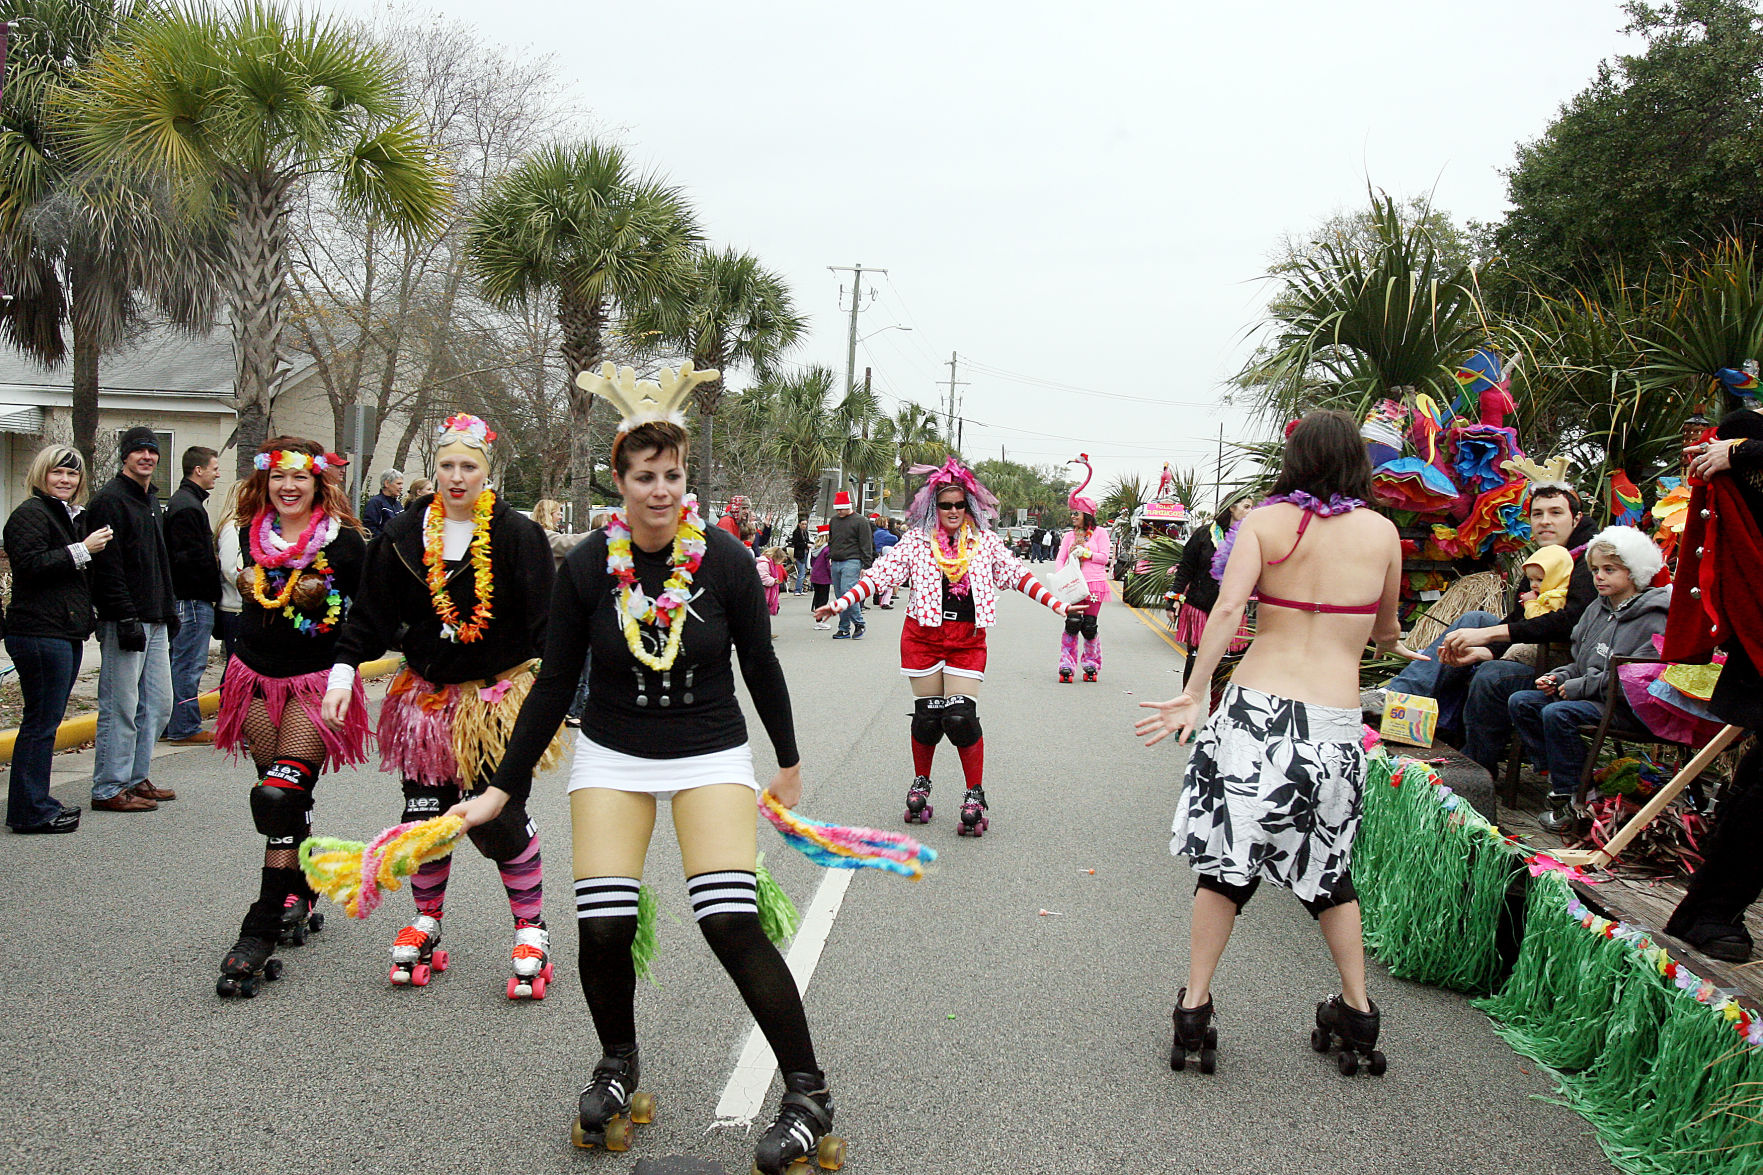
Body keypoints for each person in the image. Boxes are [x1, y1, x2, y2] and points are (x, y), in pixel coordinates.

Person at [464, 364, 838, 1173]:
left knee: (727, 919)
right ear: (621, 481)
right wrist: (506, 782)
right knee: (602, 923)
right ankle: (617, 1062)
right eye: (645, 476)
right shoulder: (589, 566)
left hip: (710, 750)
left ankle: (807, 1090)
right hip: (612, 752)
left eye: (672, 475)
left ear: (683, 480)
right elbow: (555, 680)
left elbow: (760, 665)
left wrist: (789, 760)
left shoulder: (728, 560)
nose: (661, 490)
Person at [1136, 410, 1420, 1075]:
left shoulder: (1262, 523)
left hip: (1255, 718)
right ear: (1357, 462)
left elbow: (1229, 610)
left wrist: (1194, 690)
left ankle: (1195, 1008)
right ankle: (1356, 1010)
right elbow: (1386, 635)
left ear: (1292, 460)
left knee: (1226, 866)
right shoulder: (1382, 533)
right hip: (1332, 725)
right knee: (1327, 869)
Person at [320, 412, 562, 995]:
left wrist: (563, 690)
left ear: (487, 472)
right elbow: (370, 615)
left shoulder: (516, 535)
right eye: (448, 466)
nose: (457, 477)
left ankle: (531, 927)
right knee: (426, 819)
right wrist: (342, 671)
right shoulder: (402, 536)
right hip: (425, 702)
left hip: (494, 701)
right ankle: (427, 920)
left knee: (497, 817)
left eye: (469, 467)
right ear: (436, 470)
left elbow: (546, 627)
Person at [816, 457, 1066, 835]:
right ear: (935, 507)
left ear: (970, 508)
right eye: (946, 505)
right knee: (929, 718)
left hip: (966, 638)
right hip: (923, 636)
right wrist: (840, 602)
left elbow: (1018, 575)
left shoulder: (985, 544)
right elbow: (881, 575)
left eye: (959, 505)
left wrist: (1060, 606)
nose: (953, 511)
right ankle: (921, 782)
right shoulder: (916, 543)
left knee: (960, 717)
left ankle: (975, 793)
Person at [213, 438, 371, 996]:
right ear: (266, 481)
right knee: (280, 798)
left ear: (319, 484)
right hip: (253, 677)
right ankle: (299, 890)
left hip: (313, 684)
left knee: (280, 796)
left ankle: (257, 927)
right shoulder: (249, 532)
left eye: (300, 479)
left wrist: (352, 668)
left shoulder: (344, 543)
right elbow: (239, 594)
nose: (289, 487)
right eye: (280, 477)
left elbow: (373, 612)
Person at [1374, 482, 1598, 743]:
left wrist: (1489, 638)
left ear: (1576, 518)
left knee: (1490, 663)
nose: (1545, 522)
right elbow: (1521, 617)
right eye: (1538, 514)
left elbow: (1567, 622)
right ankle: (1399, 701)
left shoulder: (1591, 561)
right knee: (1474, 621)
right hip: (1534, 648)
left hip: (1570, 662)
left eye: (1555, 513)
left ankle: (1464, 747)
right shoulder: (1544, 558)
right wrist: (1486, 650)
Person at [1663, 388, 1763, 961]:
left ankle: (1708, 911)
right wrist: (1746, 447)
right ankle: (1710, 912)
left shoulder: (1747, 443)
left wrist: (1745, 451)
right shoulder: (1747, 430)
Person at [1494, 528, 1669, 833]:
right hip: (1596, 696)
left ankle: (1575, 798)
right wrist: (1560, 676)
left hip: (1631, 705)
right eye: (1595, 570)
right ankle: (1568, 776)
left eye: (1609, 569)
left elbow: (1634, 675)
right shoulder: (1598, 609)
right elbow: (1583, 661)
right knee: (1522, 701)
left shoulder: (1654, 616)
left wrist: (1577, 686)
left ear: (1635, 571)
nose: (1598, 577)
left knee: (1558, 712)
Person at [4, 445, 111, 833]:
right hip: (38, 631)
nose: (65, 480)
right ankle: (30, 812)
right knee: (41, 723)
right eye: (57, 474)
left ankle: (35, 803)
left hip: (60, 631)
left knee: (44, 721)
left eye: (72, 475)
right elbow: (30, 566)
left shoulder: (65, 516)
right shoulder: (30, 514)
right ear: (41, 475)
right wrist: (82, 550)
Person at [87, 426, 179, 813]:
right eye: (138, 450)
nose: (147, 456)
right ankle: (109, 787)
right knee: (121, 706)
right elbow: (106, 566)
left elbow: (159, 561)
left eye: (152, 451)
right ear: (124, 456)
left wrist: (170, 609)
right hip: (125, 619)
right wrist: (124, 616)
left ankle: (135, 778)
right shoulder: (109, 501)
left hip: (156, 617)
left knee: (159, 704)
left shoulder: (149, 500)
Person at [162, 445, 222, 745]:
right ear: (198, 470)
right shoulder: (187, 507)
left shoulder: (185, 502)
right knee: (187, 665)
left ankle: (169, 723)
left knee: (179, 663)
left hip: (188, 598)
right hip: (192, 600)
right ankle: (184, 726)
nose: (217, 473)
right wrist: (211, 585)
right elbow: (189, 560)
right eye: (214, 467)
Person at [1168, 498, 1253, 687]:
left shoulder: (1250, 537)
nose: (1250, 511)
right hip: (1200, 605)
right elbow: (1186, 568)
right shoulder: (1204, 534)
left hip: (1233, 608)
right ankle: (1187, 699)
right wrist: (1173, 598)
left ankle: (1217, 711)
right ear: (1232, 508)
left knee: (1226, 661)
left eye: (1252, 507)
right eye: (1246, 506)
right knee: (1196, 656)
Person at [1055, 489, 1112, 683]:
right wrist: (1060, 577)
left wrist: (1086, 553)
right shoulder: (1069, 536)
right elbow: (1060, 559)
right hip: (1074, 586)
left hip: (1094, 586)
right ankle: (1067, 663)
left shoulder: (1100, 533)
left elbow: (1104, 558)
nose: (1072, 517)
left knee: (1089, 626)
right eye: (1072, 513)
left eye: (1076, 513)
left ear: (1086, 515)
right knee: (1072, 624)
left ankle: (1091, 663)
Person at [827, 491, 873, 640]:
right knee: (840, 596)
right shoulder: (834, 520)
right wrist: (830, 555)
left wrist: (866, 565)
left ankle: (859, 623)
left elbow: (866, 543)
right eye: (837, 509)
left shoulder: (861, 521)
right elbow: (832, 539)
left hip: (852, 560)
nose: (839, 512)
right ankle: (844, 628)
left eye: (841, 509)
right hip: (836, 560)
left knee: (848, 592)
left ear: (848, 506)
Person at [214, 484, 245, 669]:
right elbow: (230, 567)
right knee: (235, 665)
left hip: (240, 605)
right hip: (234, 606)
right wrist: (251, 590)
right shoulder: (232, 527)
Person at [532, 498, 590, 569]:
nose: (560, 517)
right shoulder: (543, 535)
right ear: (548, 515)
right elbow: (569, 542)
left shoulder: (536, 532)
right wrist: (599, 533)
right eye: (558, 514)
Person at [363, 468, 406, 537]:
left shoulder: (398, 505)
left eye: (401, 484)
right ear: (387, 483)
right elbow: (369, 528)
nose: (401, 487)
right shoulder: (375, 503)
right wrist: (386, 540)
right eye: (398, 483)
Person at [871, 515, 899, 608]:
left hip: (875, 557)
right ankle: (885, 601)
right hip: (885, 557)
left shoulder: (874, 533)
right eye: (886, 522)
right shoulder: (886, 535)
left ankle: (877, 596)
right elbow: (895, 539)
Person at [809, 532, 833, 627]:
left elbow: (811, 562)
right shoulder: (827, 549)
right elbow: (828, 565)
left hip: (815, 575)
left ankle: (818, 619)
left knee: (817, 597)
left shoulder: (815, 548)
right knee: (823, 599)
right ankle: (820, 621)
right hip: (824, 577)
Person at [789, 520, 810, 594]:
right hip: (800, 554)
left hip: (805, 553)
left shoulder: (806, 532)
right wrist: (805, 545)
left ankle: (801, 588)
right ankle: (797, 589)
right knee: (801, 572)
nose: (804, 526)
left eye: (805, 524)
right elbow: (796, 544)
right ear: (799, 524)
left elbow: (807, 541)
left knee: (804, 572)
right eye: (803, 524)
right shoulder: (796, 532)